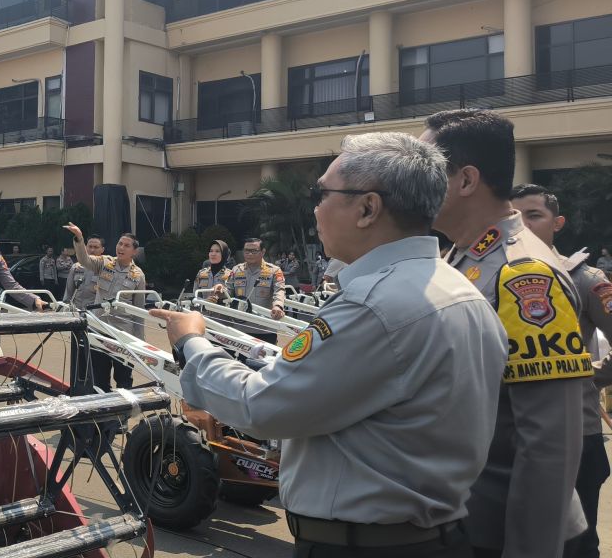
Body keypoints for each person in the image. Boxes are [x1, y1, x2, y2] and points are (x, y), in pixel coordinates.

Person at [152, 132, 506, 557]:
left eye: (323, 194)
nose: (316, 209)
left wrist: (192, 341)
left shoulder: (374, 305)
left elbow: (261, 406)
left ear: (368, 208)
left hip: (364, 544)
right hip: (431, 535)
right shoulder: (463, 290)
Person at [422, 109, 591, 558]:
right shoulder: (464, 255)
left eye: (427, 168)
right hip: (467, 519)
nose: (414, 181)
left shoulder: (522, 273)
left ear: (466, 180)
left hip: (505, 530)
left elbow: (549, 441)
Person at [510, 183, 612, 558]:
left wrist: (584, 372)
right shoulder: (492, 279)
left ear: (558, 223)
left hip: (576, 433)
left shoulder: (585, 280)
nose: (522, 225)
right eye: (514, 217)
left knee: (576, 545)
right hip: (511, 432)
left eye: (533, 215)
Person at [63, 224, 147, 390]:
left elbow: (139, 311)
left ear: (134, 251)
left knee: (123, 378)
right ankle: (104, 413)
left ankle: (123, 414)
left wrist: (139, 342)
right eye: (120, 243)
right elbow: (84, 260)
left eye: (126, 245)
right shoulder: (104, 263)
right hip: (99, 330)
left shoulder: (138, 275)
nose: (121, 247)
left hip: (123, 335)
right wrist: (79, 238)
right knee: (99, 378)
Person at [219, 237, 286, 343]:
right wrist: (221, 290)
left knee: (265, 359)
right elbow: (229, 291)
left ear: (263, 252)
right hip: (240, 328)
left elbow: (279, 290)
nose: (249, 254)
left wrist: (277, 306)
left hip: (265, 329)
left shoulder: (274, 271)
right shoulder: (236, 270)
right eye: (246, 251)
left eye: (254, 251)